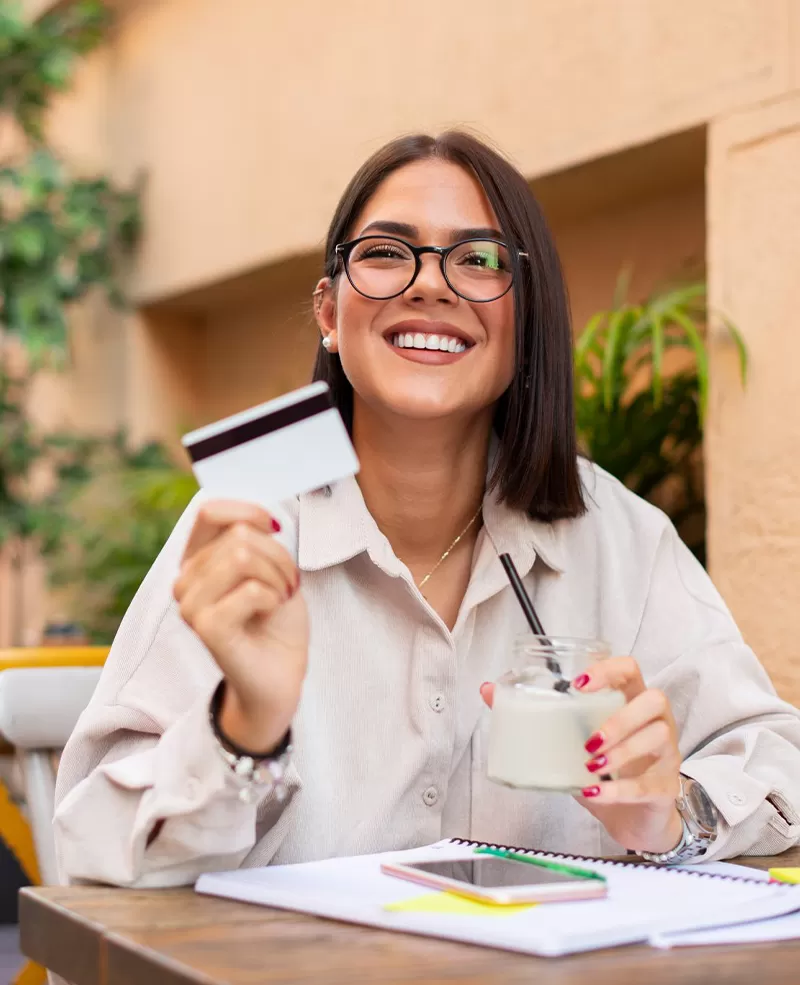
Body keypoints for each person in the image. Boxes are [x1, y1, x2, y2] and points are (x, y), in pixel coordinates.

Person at [54, 132, 800, 888]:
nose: (430, 286)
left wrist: (672, 813)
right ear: (328, 310)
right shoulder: (246, 527)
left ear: (526, 316)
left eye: (479, 260)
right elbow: (94, 851)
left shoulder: (621, 536)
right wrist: (244, 728)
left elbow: (777, 765)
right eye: (385, 252)